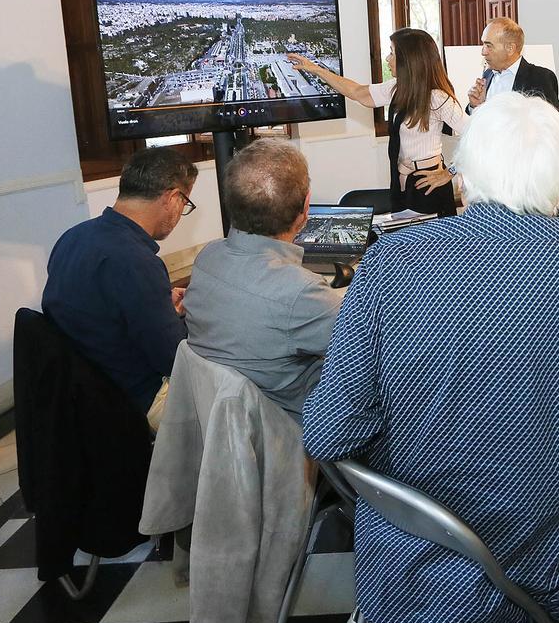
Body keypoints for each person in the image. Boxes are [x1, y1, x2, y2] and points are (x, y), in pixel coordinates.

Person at [302, 93, 559, 623]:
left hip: (407, 577)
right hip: (540, 569)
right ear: (556, 179)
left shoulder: (390, 260)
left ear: (462, 172)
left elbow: (328, 433)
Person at [184, 140, 343, 423]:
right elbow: (380, 349)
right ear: (306, 206)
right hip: (291, 430)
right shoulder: (301, 293)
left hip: (224, 424)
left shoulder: (207, 258)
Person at [42, 147, 197, 430]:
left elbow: (102, 308)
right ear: (173, 197)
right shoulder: (136, 261)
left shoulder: (73, 237)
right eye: (185, 203)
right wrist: (190, 320)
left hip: (83, 392)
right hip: (135, 398)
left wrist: (161, 306)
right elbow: (175, 360)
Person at [289, 28, 467, 217]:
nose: (387, 59)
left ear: (409, 60)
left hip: (428, 185)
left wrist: (450, 172)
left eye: (392, 53)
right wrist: (315, 69)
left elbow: (478, 136)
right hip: (402, 183)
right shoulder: (398, 88)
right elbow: (358, 92)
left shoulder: (438, 98)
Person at [467, 17, 559, 113]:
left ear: (510, 48)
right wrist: (476, 106)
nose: (483, 52)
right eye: (483, 44)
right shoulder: (487, 75)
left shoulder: (540, 78)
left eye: (489, 46)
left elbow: (553, 120)